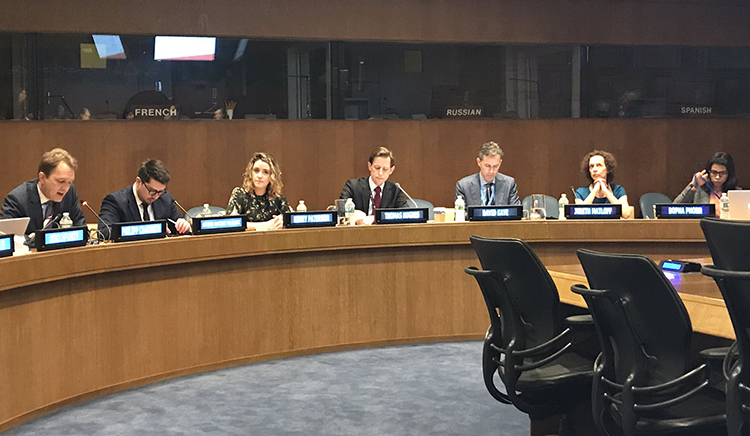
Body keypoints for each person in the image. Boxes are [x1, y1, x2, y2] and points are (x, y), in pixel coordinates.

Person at [98, 159, 191, 239]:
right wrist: (151, 229)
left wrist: (182, 225)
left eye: (160, 191)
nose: (156, 196)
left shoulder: (165, 198)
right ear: (139, 181)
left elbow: (176, 222)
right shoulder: (115, 201)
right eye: (152, 191)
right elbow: (104, 232)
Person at [2, 148, 86, 235]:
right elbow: (9, 238)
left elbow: (80, 228)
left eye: (69, 182)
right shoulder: (16, 200)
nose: (65, 188)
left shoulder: (69, 193)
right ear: (42, 178)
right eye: (61, 181)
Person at [226, 152, 291, 230]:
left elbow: (290, 222)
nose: (259, 176)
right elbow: (231, 223)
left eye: (265, 172)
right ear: (251, 173)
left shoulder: (278, 199)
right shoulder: (240, 195)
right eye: (256, 170)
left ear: (272, 176)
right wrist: (266, 226)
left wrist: (282, 222)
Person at [340, 147, 408, 215]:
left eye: (385, 169)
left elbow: (405, 213)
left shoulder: (395, 190)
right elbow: (341, 209)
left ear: (391, 170)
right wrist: (355, 214)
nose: (380, 173)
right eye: (377, 168)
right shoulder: (352, 186)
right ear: (370, 166)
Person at [455, 141, 520, 206]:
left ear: (500, 163)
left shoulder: (509, 184)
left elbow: (515, 212)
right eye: (487, 166)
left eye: (495, 166)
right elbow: (461, 214)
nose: (491, 171)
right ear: (479, 162)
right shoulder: (463, 186)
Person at [674, 152, 738, 213]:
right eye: (714, 172)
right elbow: (674, 207)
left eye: (722, 173)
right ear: (708, 172)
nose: (717, 177)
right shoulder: (699, 190)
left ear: (729, 174)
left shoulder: (737, 193)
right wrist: (693, 184)